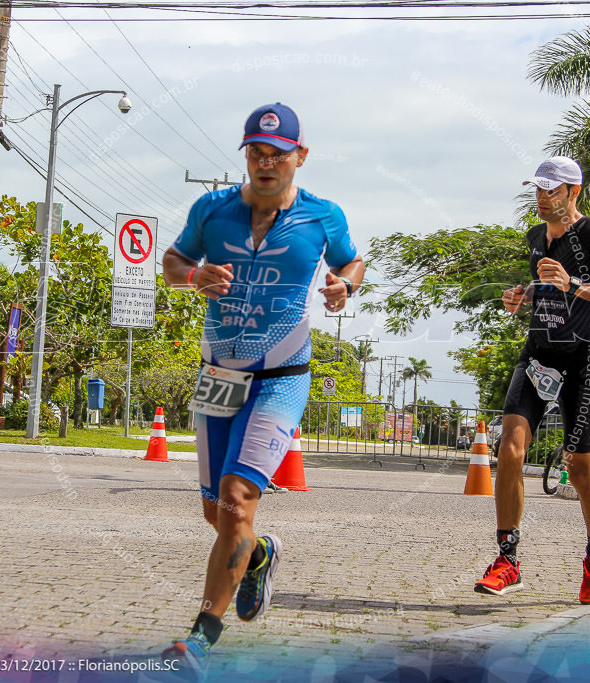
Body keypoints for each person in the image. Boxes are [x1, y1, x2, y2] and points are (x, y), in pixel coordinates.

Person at [159, 102, 364, 676]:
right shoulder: (212, 209)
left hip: (282, 379)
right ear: (245, 154)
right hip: (219, 377)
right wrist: (192, 275)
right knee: (217, 515)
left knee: (237, 497)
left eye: (278, 154)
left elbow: (353, 263)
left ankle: (200, 639)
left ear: (300, 157)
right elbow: (173, 260)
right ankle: (258, 555)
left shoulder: (323, 216)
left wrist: (343, 286)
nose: (267, 162)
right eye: (256, 152)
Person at [475, 156, 590, 605]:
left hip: (579, 363)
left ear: (574, 192)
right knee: (509, 451)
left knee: (579, 467)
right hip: (537, 356)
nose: (542, 197)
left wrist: (574, 286)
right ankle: (507, 560)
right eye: (538, 188)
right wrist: (521, 296)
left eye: (552, 189)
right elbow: (541, 287)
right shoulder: (535, 238)